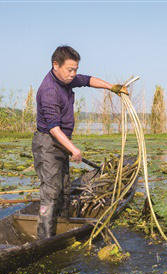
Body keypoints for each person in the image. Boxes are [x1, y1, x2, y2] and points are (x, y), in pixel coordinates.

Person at [32, 45, 128, 239]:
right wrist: (74, 149)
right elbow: (53, 128)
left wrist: (112, 87)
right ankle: (45, 238)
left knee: (65, 188)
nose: (73, 74)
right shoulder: (49, 90)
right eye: (70, 70)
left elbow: (88, 80)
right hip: (47, 143)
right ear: (55, 65)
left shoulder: (66, 79)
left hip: (61, 142)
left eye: (75, 69)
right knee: (51, 191)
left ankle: (62, 226)